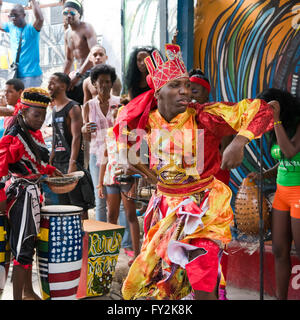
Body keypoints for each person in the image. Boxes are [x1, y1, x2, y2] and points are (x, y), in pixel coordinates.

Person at [113, 44, 275, 300]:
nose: (185, 91)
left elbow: (264, 109)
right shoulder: (146, 120)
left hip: (204, 209)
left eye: (187, 85)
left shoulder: (204, 116)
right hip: (165, 209)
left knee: (202, 275)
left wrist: (239, 141)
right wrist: (137, 165)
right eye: (176, 85)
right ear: (158, 93)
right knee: (164, 286)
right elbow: (124, 134)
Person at [0, 87, 62, 300]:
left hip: (31, 193)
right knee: (22, 248)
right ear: (23, 113)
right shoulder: (14, 136)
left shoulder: (32, 133)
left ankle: (28, 292)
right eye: (37, 115)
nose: (41, 119)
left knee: (27, 245)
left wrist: (51, 171)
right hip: (21, 196)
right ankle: (19, 297)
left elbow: (35, 164)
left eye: (44, 115)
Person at [248, 88, 300, 300]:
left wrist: (276, 119)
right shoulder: (275, 128)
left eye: (269, 111)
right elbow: (284, 162)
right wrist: (264, 175)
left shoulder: (296, 123)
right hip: (282, 192)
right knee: (279, 250)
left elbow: (290, 151)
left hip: (298, 194)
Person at [189, 68, 231, 300]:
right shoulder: (184, 115)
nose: (191, 94)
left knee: (214, 239)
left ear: (206, 93)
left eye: (196, 90)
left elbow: (226, 155)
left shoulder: (216, 115)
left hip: (214, 184)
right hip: (190, 186)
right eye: (188, 89)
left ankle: (218, 289)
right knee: (192, 240)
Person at [98, 106, 140, 265]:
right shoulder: (109, 134)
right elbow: (104, 158)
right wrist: (100, 183)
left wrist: (136, 184)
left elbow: (139, 161)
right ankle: (110, 254)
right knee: (111, 215)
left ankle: (137, 254)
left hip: (128, 178)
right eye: (117, 118)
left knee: (130, 215)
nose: (120, 122)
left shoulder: (133, 134)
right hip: (111, 178)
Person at [48, 72, 89, 220]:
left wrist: (73, 162)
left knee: (78, 203)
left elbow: (77, 136)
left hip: (71, 161)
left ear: (63, 86)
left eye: (53, 82)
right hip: (59, 161)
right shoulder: (53, 109)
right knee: (63, 202)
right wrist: (51, 158)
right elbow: (55, 135)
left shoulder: (73, 107)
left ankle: (84, 235)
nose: (49, 85)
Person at [0, 0, 44, 88]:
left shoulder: (32, 30)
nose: (13, 18)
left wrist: (33, 1)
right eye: (11, 16)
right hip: (16, 74)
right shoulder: (11, 26)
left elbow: (40, 19)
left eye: (15, 15)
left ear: (24, 15)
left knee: (27, 101)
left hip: (31, 76)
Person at [63, 0, 97, 105]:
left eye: (72, 13)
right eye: (65, 13)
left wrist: (78, 75)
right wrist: (61, 79)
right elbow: (68, 60)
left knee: (78, 91)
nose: (68, 16)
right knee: (64, 91)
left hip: (91, 71)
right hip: (80, 73)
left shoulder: (87, 28)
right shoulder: (67, 34)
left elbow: (94, 54)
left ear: (79, 14)